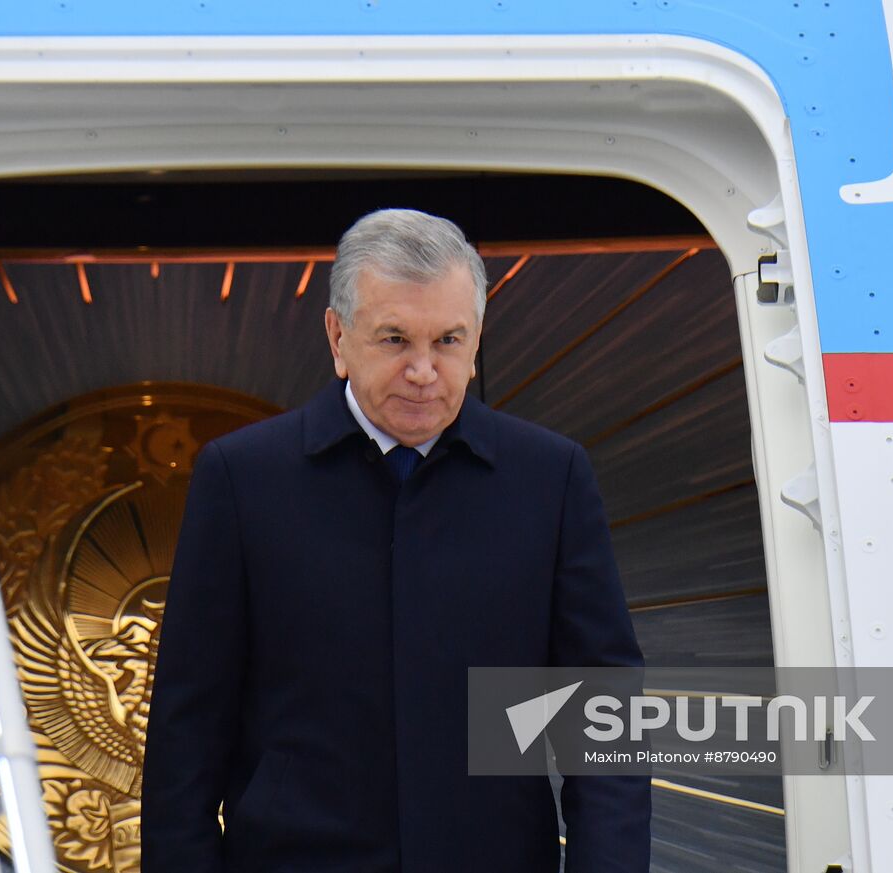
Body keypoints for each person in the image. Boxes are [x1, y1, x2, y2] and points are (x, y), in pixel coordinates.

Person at [141, 208, 650, 872]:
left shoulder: (550, 479)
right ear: (338, 335)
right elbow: (187, 733)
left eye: (447, 340)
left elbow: (602, 715)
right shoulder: (242, 479)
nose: (423, 370)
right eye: (394, 339)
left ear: (477, 339)